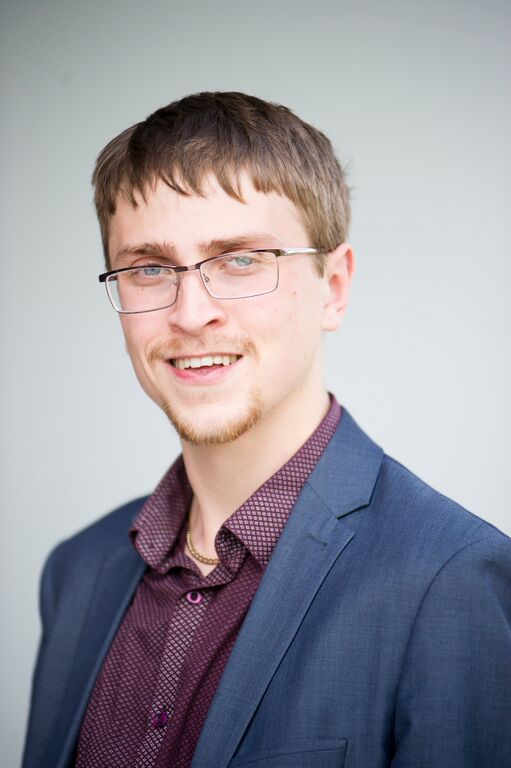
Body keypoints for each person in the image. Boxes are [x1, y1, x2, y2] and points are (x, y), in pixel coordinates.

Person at [22, 91, 511, 768]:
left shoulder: (449, 579)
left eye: (240, 259)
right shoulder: (76, 572)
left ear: (333, 287)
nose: (191, 313)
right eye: (149, 268)